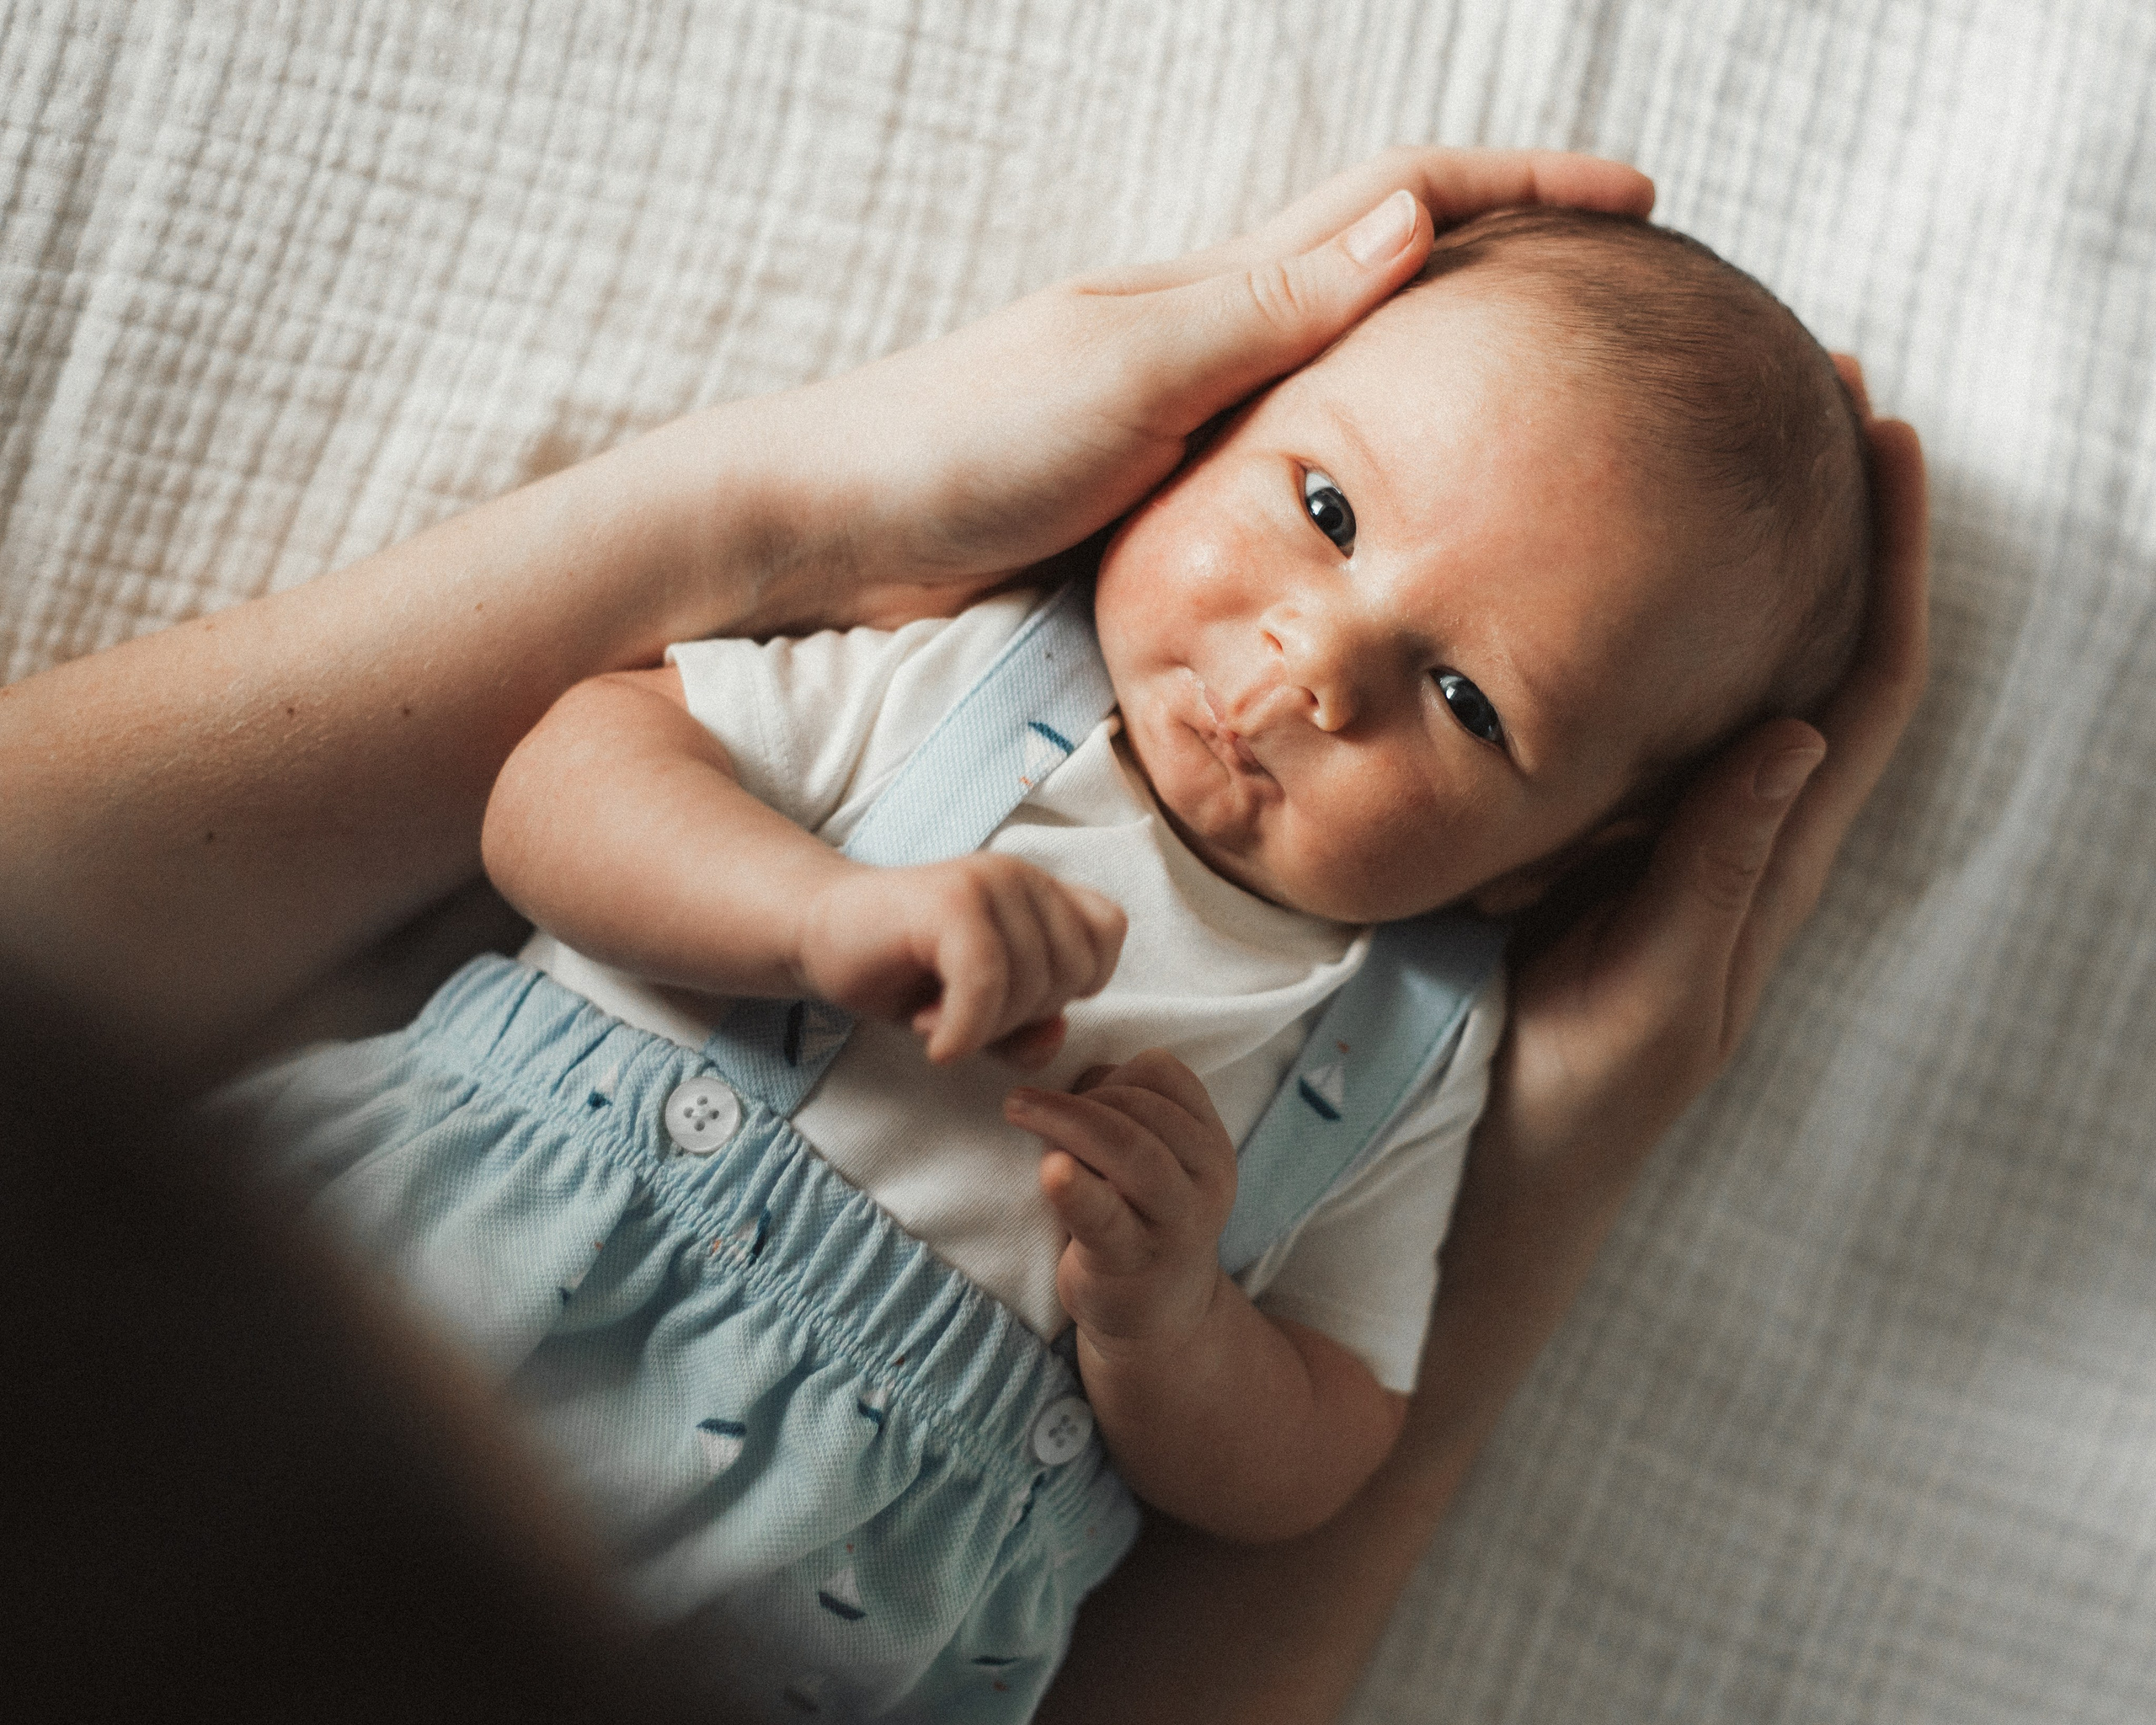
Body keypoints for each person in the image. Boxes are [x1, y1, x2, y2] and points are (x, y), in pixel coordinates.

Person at [0, 147, 1928, 1722]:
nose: (1310, 661)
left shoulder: (1409, 1037)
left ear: (1536, 870)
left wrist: (1172, 1334)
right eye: (1323, 506)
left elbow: (1324, 1439)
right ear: (1203, 425)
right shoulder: (961, 690)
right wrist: (812, 907)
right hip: (432, 1316)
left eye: (1471, 704)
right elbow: (567, 777)